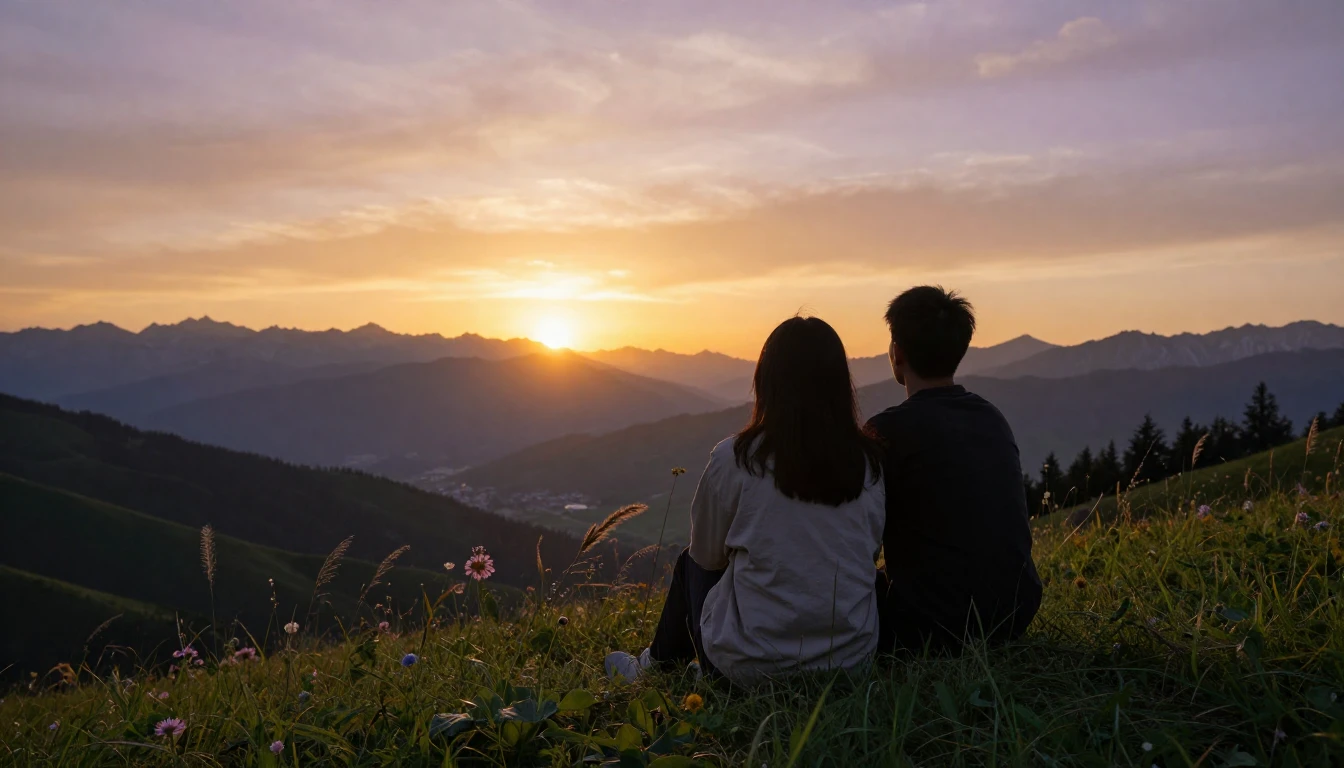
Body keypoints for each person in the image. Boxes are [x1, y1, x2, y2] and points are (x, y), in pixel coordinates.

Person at [606, 316, 886, 685]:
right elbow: (865, 554)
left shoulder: (736, 459)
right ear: (840, 384)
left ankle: (653, 667)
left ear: (765, 381)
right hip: (850, 665)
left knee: (690, 565)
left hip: (748, 668)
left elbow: (706, 558)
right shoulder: (869, 464)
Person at [866, 286, 1041, 653]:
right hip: (1013, 614)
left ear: (897, 353)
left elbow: (856, 541)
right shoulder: (992, 418)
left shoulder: (884, 433)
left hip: (926, 627)